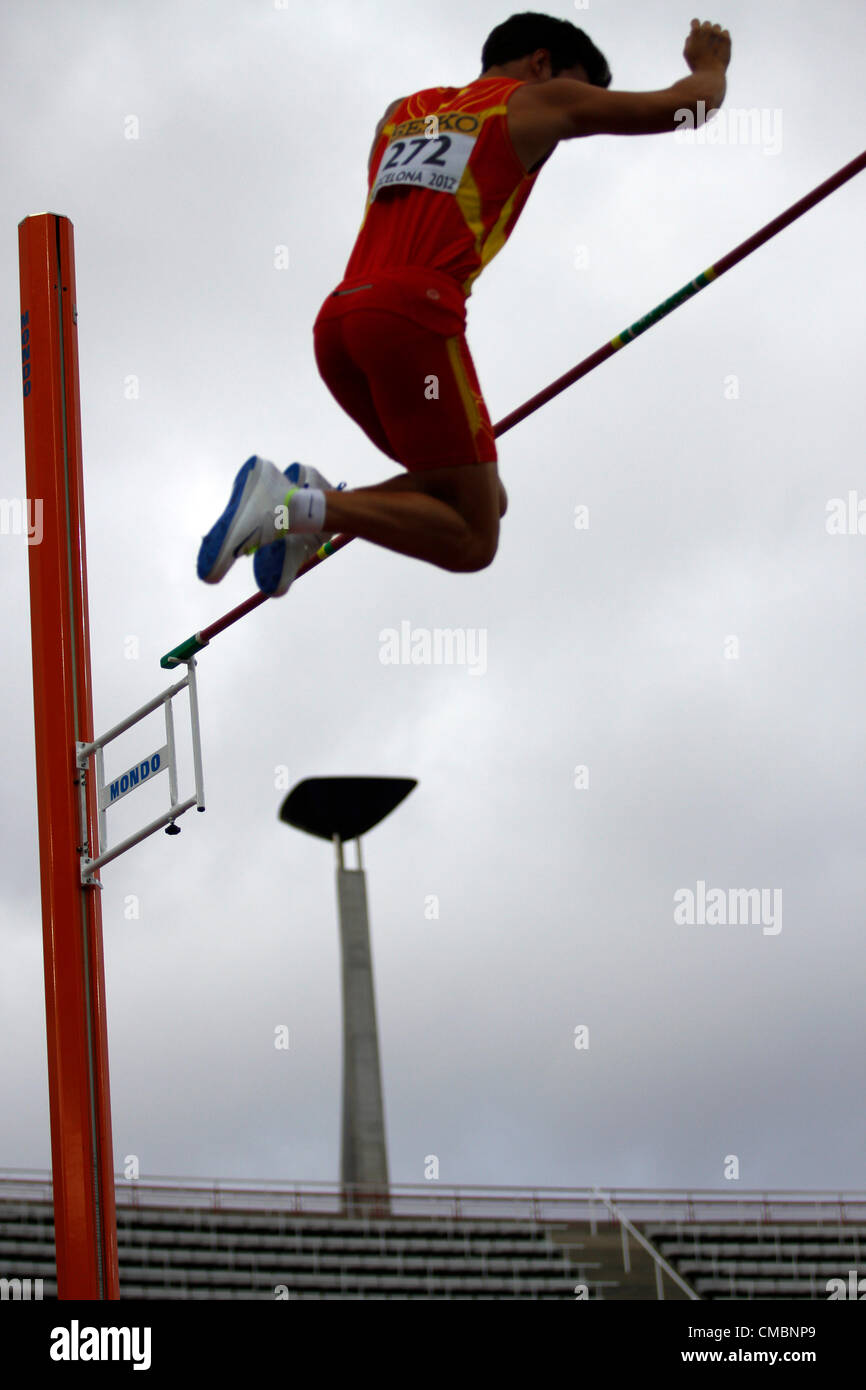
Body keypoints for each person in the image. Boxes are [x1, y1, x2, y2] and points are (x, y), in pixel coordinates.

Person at [198, 13, 731, 594]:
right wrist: (710, 65)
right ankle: (296, 505)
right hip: (412, 317)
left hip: (340, 325)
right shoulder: (531, 102)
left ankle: (306, 497)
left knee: (476, 498)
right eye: (576, 91)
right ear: (541, 63)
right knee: (475, 541)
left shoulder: (400, 113)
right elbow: (689, 107)